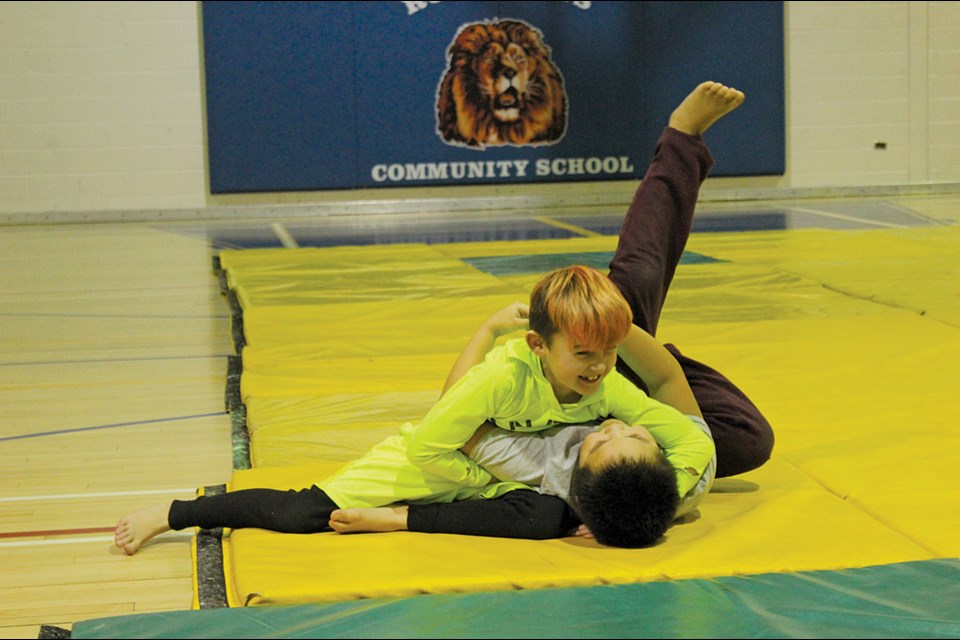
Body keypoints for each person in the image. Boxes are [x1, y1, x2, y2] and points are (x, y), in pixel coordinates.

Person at [330, 80, 772, 541]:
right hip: (628, 371)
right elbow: (665, 381)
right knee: (747, 441)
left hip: (572, 375)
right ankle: (679, 144)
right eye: (635, 436)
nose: (616, 428)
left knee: (634, 289)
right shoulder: (683, 477)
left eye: (602, 439)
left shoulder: (548, 478)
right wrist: (613, 336)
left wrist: (574, 340)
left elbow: (456, 418)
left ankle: (680, 141)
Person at [115, 264, 714, 554]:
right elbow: (434, 439)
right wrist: (484, 480)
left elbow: (689, 437)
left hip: (509, 485)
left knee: (551, 520)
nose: (601, 368)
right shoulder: (503, 376)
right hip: (437, 459)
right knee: (306, 513)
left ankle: (416, 515)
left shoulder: (610, 389)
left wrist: (677, 489)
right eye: (585, 354)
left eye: (610, 353)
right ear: (539, 345)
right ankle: (175, 514)